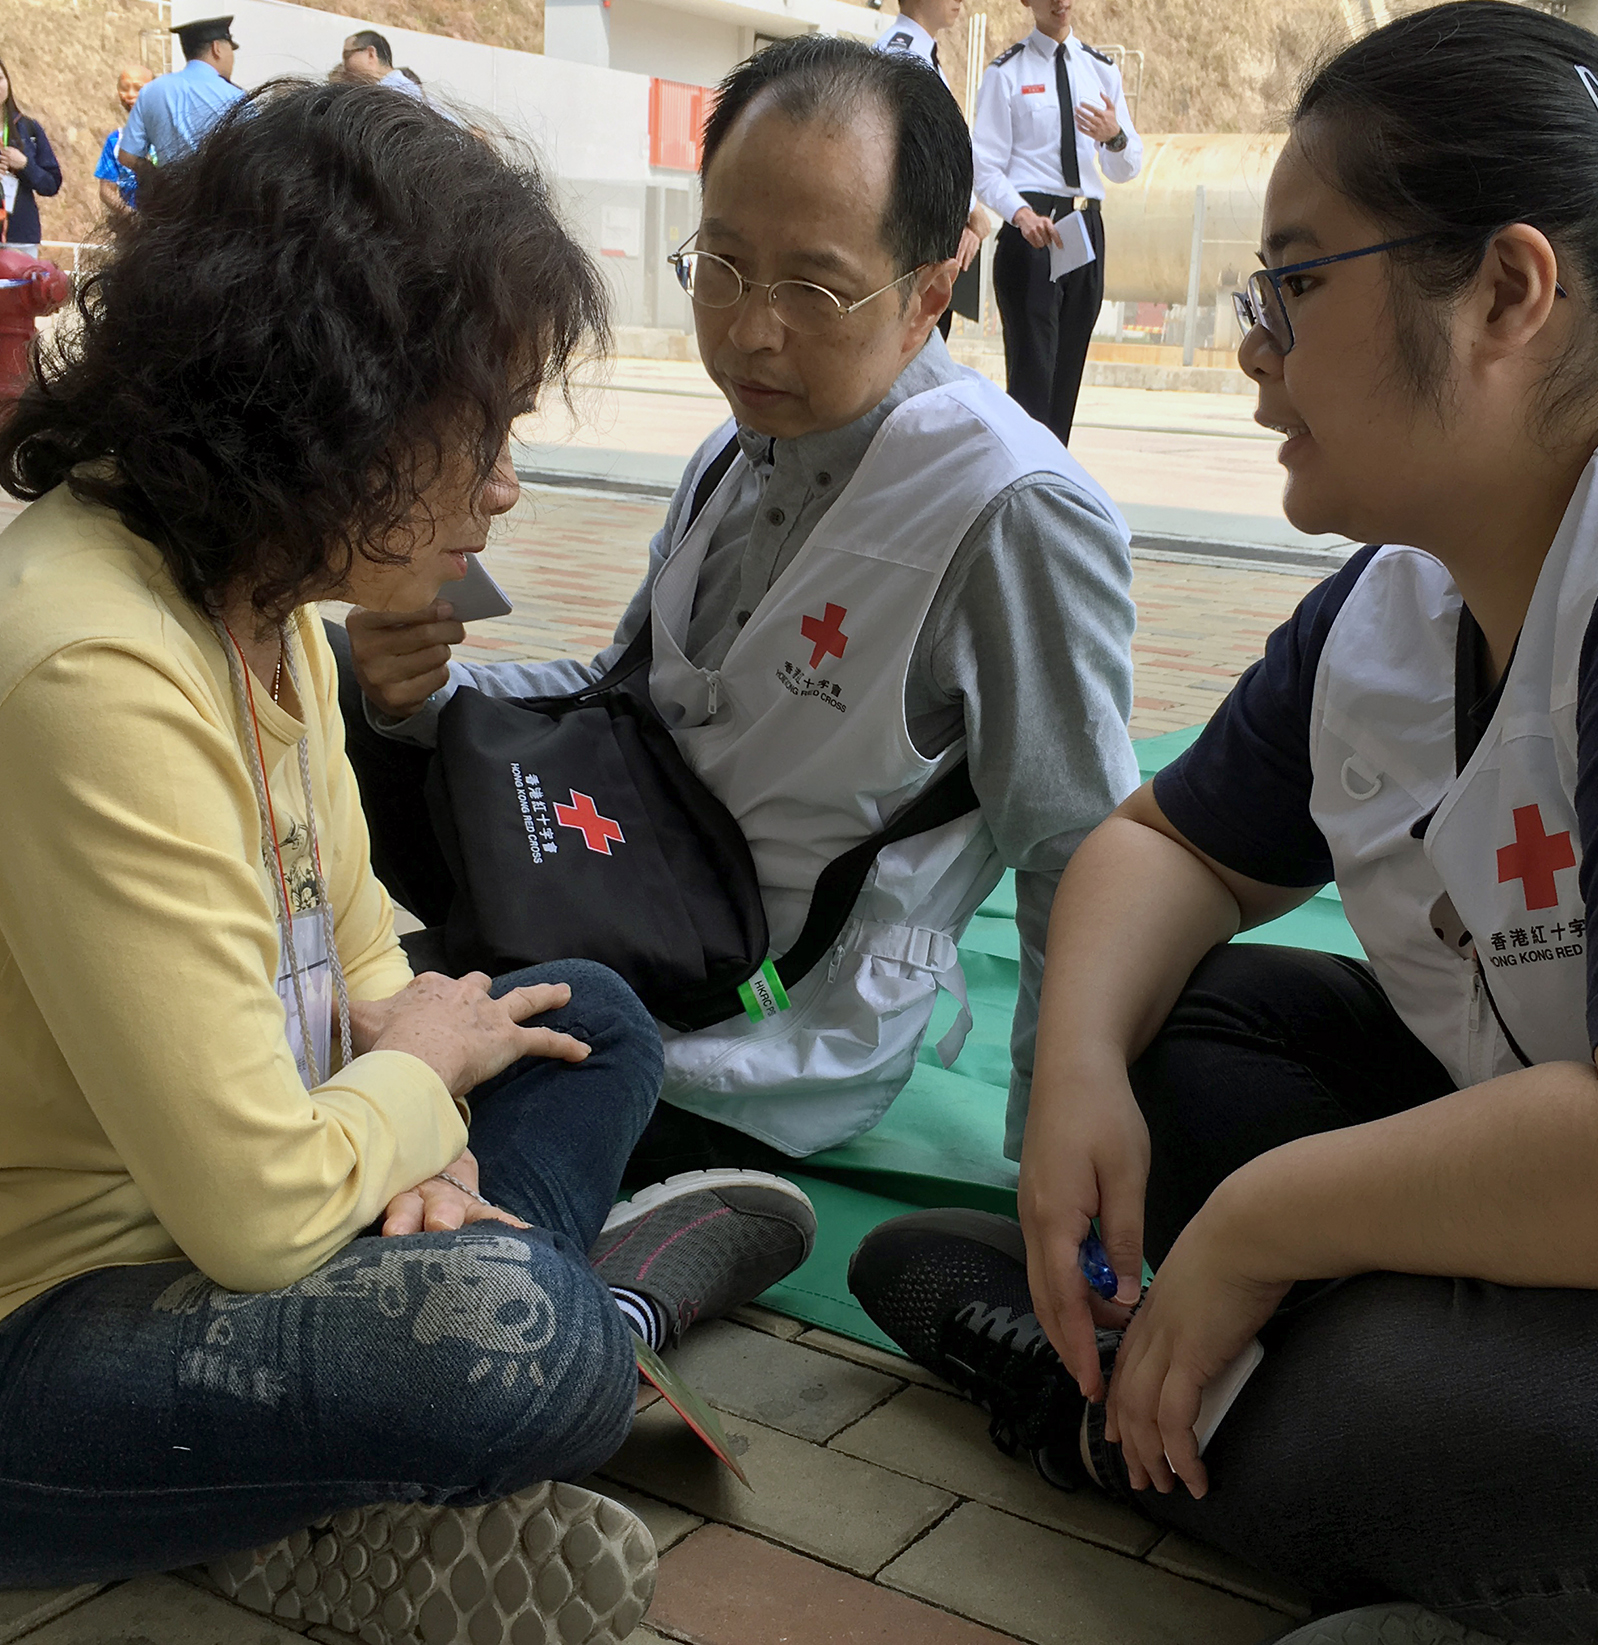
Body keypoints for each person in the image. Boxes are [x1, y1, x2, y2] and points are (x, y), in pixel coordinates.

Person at [851, 4, 1598, 1640]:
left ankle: (1148, 1417)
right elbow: (1162, 849)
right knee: (1204, 1035)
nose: (1256, 344)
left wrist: (1264, 1225)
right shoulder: (1403, 600)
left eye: (1295, 285)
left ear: (1508, 293)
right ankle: (1343, 1468)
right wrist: (1080, 1076)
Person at [0, 77, 813, 1633]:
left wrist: (419, 1114)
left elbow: (366, 953)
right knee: (513, 1349)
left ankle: (315, 1468)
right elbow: (248, 1204)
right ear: (329, 394)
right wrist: (414, 1080)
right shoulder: (86, 665)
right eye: (485, 429)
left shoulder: (257, 594)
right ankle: (601, 1316)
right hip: (57, 1320)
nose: (506, 484)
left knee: (595, 1012)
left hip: (260, 1212)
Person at [336, 35, 1138, 1347]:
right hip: (619, 897)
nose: (751, 328)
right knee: (339, 723)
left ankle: (636, 1270)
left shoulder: (1014, 512)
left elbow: (1084, 843)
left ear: (932, 290)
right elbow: (620, 699)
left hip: (761, 1012)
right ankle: (618, 1253)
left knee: (414, 1138)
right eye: (719, 267)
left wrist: (1051, 1141)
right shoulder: (739, 441)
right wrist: (411, 698)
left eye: (816, 288)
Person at [972, 0, 1139, 444]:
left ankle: (1053, 483)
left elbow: (1126, 166)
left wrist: (1115, 136)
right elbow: (984, 166)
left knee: (1066, 378)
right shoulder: (1007, 73)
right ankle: (1023, 485)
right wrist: (1020, 213)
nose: (1060, 2)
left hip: (1085, 226)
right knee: (1032, 381)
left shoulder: (1100, 70)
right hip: (1033, 231)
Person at [874, 0, 985, 342]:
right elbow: (922, 151)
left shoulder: (920, 55)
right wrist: (971, 210)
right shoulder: (904, 57)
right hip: (913, 233)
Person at [117, 16, 246, 181]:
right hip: (218, 203)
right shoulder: (237, 98)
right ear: (217, 48)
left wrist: (159, 178)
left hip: (168, 202)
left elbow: (127, 156)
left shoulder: (151, 91)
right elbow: (255, 160)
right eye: (230, 49)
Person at [0, 59, 61, 253]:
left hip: (20, 237)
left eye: (0, 78)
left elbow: (51, 184)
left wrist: (25, 164)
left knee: (20, 284)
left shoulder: (28, 128)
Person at [94, 68, 151, 218]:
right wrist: (130, 216)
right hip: (132, 232)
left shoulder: (167, 134)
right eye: (125, 88)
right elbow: (106, 189)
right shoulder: (115, 140)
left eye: (139, 88)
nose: (130, 95)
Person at [342, 30, 425, 101]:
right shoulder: (383, 90)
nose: (344, 64)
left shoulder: (401, 91)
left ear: (371, 54)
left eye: (347, 55)